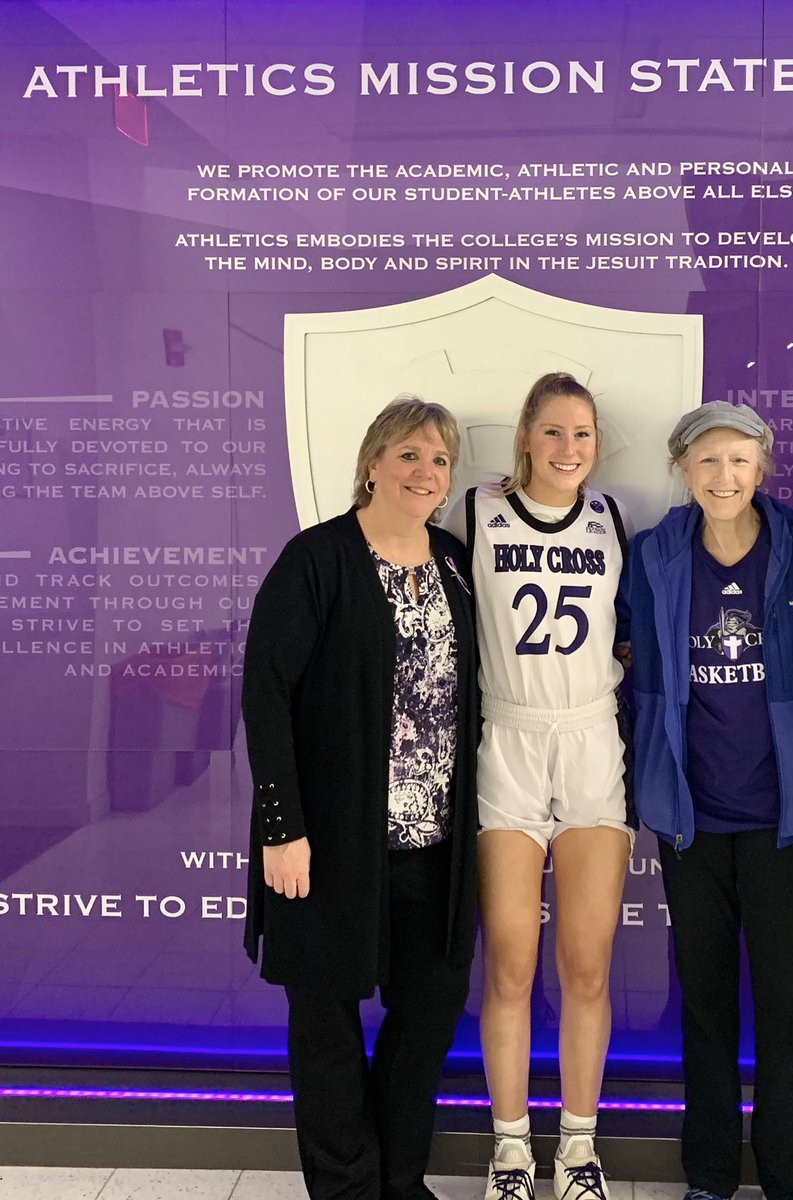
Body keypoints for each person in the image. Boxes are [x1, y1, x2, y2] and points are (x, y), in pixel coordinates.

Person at [241, 396, 479, 1200]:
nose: (424, 472)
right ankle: (346, 1189)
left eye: (439, 459)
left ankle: (398, 1181)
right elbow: (266, 695)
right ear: (372, 462)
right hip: (329, 843)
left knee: (426, 1020)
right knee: (327, 1027)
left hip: (435, 848)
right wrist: (283, 830)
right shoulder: (318, 558)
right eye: (408, 454)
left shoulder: (451, 560)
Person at [623, 400, 793, 1200]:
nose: (724, 477)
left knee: (785, 1003)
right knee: (704, 1003)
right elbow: (625, 664)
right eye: (707, 461)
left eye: (740, 461)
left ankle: (788, 1175)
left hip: (785, 820)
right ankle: (708, 1174)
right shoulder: (652, 556)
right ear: (681, 468)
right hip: (692, 820)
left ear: (763, 468)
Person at [443, 372, 632, 1200]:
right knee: (512, 965)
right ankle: (512, 1153)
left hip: (591, 740)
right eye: (552, 433)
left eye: (582, 434)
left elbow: (626, 628)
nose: (567, 449)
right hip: (507, 740)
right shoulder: (474, 511)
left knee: (586, 965)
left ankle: (580, 1152)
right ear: (524, 436)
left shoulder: (611, 515)